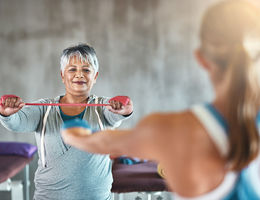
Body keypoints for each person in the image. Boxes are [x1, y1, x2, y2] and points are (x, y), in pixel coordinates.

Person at [61, 1, 260, 199]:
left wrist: (74, 133)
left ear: (201, 58)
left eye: (85, 70)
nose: (79, 75)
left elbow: (100, 141)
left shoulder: (168, 129)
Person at [0, 43, 133, 200]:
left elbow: (117, 114)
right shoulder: (44, 108)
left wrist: (125, 110)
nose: (79, 75)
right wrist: (6, 113)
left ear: (95, 76)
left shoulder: (104, 107)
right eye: (72, 69)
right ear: (62, 75)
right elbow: (17, 122)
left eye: (86, 70)